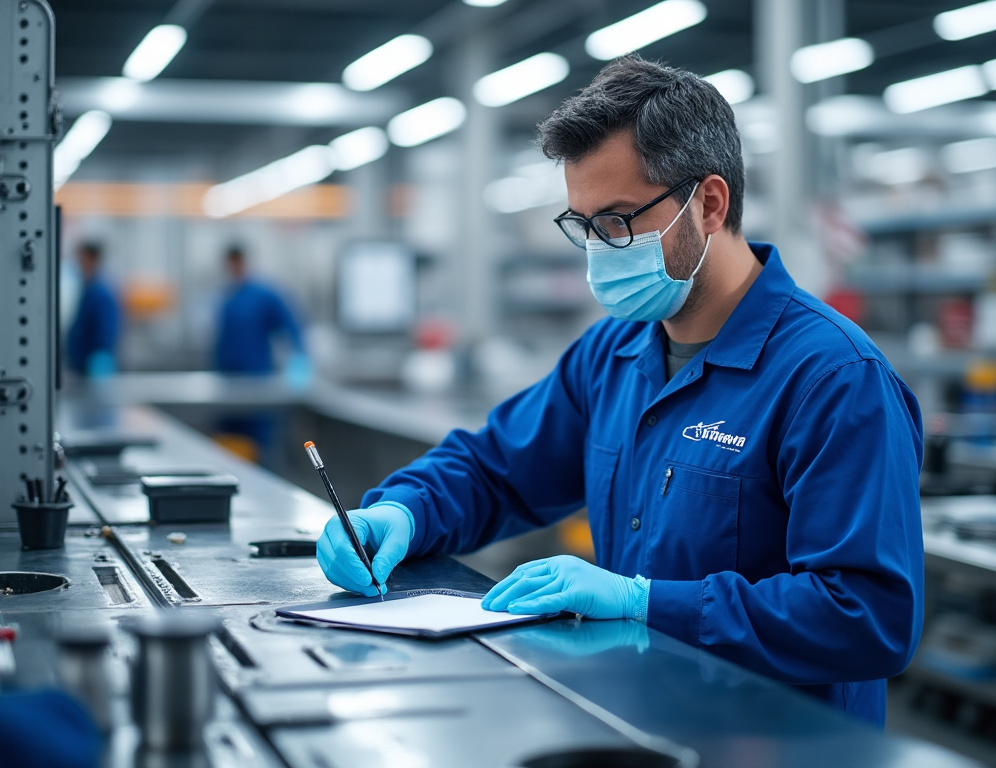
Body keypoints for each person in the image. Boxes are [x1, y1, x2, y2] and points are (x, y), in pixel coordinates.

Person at [316, 55, 924, 728]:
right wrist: (402, 512)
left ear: (710, 203)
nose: (600, 250)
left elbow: (868, 616)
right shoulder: (614, 353)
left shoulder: (833, 379)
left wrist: (645, 602)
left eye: (618, 220)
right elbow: (496, 468)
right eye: (584, 225)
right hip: (642, 723)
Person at [212, 245, 308, 462]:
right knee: (231, 447)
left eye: (236, 263)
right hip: (229, 384)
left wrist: (299, 360)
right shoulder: (228, 299)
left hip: (257, 384)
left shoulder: (264, 295)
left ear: (244, 262)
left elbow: (293, 326)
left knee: (261, 447)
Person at [66, 242, 120, 377]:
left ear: (92, 260)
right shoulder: (89, 289)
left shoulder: (100, 292)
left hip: (94, 363)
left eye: (82, 259)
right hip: (83, 363)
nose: (79, 264)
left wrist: (96, 359)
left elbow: (105, 333)